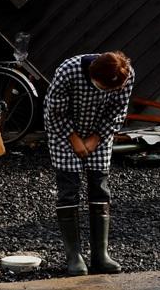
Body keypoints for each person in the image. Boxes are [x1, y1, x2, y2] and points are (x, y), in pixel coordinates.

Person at [43, 51, 135, 276]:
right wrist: (73, 138)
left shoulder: (126, 74)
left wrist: (96, 137)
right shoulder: (68, 70)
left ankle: (100, 255)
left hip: (99, 133)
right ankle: (74, 256)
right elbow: (53, 112)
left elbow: (118, 111)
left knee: (100, 187)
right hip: (64, 132)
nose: (107, 93)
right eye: (104, 88)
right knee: (68, 189)